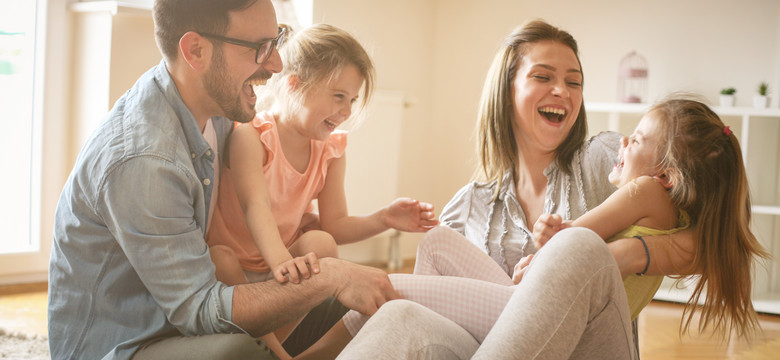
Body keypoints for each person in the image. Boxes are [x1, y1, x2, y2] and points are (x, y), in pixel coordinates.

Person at [326, 20, 712, 359]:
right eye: (543, 77)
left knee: (576, 248)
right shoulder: (468, 205)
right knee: (405, 308)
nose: (562, 90)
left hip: (587, 344)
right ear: (505, 89)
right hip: (493, 344)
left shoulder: (606, 159)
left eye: (573, 82)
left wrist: (624, 255)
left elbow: (713, 230)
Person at [47, 1, 399, 359]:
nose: (276, 64)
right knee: (239, 351)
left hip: (180, 317)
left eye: (277, 41)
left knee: (355, 313)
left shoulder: (216, 111)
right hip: (130, 342)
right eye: (259, 48)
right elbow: (199, 309)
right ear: (195, 50)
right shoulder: (146, 161)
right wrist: (329, 276)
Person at [205, 23, 437, 359]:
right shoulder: (253, 137)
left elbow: (335, 225)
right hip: (237, 270)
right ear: (296, 84)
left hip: (279, 268)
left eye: (353, 100)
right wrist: (283, 263)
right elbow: (256, 207)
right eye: (338, 96)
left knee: (321, 242)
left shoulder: (329, 150)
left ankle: (281, 346)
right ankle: (274, 353)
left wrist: (385, 218)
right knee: (218, 257)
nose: (346, 111)